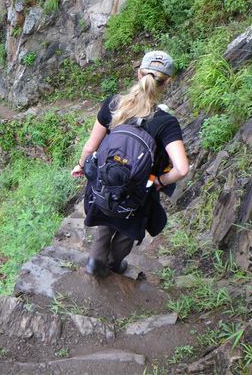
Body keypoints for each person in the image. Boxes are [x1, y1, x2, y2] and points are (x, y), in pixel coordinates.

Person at [71, 51, 189, 277]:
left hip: (107, 179)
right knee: (128, 228)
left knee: (106, 213)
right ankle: (114, 264)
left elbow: (90, 146)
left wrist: (81, 165)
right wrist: (160, 180)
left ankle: (95, 261)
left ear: (139, 74)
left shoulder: (114, 104)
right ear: (167, 82)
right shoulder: (166, 122)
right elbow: (182, 169)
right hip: (139, 189)